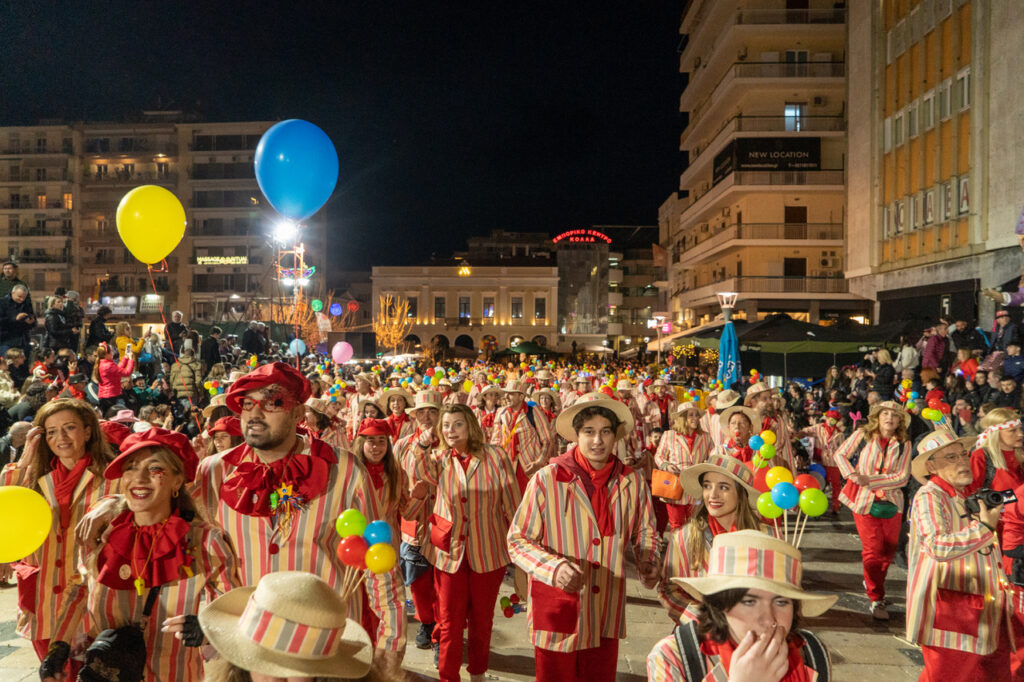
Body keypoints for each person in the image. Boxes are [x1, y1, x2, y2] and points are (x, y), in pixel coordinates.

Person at [77, 362, 391, 657]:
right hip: (241, 640)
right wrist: (115, 502)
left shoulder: (344, 469)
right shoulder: (213, 471)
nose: (255, 413)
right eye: (247, 404)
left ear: (298, 413)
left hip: (320, 639)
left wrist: (392, 639)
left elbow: (378, 555)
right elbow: (159, 505)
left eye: (272, 403)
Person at [45, 428, 240, 682]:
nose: (139, 478)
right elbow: (78, 589)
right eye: (131, 467)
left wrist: (208, 628)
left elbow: (231, 608)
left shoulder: (206, 540)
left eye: (155, 468)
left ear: (177, 480)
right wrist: (58, 646)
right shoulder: (102, 532)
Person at [507, 392, 659, 681]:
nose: (597, 441)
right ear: (576, 435)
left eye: (605, 432)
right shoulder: (548, 478)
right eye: (589, 432)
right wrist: (553, 568)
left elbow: (645, 530)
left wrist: (648, 558)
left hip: (606, 611)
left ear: (616, 437)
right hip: (558, 607)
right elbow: (517, 540)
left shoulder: (632, 480)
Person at [0, 399, 117, 675]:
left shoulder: (113, 476)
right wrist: (26, 456)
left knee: (89, 674)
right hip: (41, 598)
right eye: (51, 431)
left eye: (69, 428)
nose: (60, 438)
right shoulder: (32, 475)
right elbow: (6, 506)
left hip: (90, 597)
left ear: (88, 431)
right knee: (52, 674)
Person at [413, 404, 522, 682]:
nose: (450, 430)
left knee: (482, 621)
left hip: (489, 549)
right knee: (449, 620)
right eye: (446, 425)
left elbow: (512, 502)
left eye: (457, 424)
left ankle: (477, 674)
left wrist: (521, 549)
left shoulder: (495, 456)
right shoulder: (438, 458)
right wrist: (422, 445)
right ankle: (448, 676)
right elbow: (419, 471)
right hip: (449, 552)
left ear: (471, 426)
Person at [646, 530, 836, 681]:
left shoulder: (812, 654)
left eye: (781, 602)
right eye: (749, 601)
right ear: (718, 605)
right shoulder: (675, 657)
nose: (768, 618)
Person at [906, 429, 1014, 681]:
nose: (963, 462)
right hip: (949, 615)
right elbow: (937, 546)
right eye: (951, 458)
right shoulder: (930, 496)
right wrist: (984, 528)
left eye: (963, 455)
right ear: (931, 466)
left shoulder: (960, 495)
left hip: (968, 610)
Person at [351, 418, 427, 674]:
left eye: (381, 441)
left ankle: (383, 669)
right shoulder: (349, 474)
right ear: (361, 442)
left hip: (385, 554)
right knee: (357, 609)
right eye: (370, 440)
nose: (375, 446)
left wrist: (417, 496)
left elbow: (407, 511)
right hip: (352, 553)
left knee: (387, 611)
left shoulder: (396, 474)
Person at [657, 454, 765, 623]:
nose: (713, 495)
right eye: (707, 486)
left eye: (723, 487)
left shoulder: (764, 537)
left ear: (741, 494)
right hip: (702, 636)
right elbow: (669, 589)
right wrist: (704, 619)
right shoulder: (683, 537)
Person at [832, 400, 912, 620]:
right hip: (864, 502)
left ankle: (873, 580)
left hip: (893, 505)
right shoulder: (862, 435)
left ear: (900, 421)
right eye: (885, 413)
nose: (889, 418)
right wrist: (851, 475)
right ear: (877, 416)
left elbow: (903, 477)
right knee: (872, 550)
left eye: (895, 415)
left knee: (887, 552)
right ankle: (876, 598)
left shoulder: (905, 443)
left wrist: (871, 480)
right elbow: (840, 454)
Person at [394, 389, 443, 653]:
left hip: (446, 525)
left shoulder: (451, 443)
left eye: (432, 412)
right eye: (421, 412)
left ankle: (441, 632)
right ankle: (426, 623)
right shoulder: (402, 444)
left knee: (445, 584)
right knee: (419, 583)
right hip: (414, 524)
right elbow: (394, 482)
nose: (426, 417)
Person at [653, 402, 712, 529]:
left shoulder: (705, 437)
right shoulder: (669, 435)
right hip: (674, 487)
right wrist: (666, 465)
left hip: (696, 488)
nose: (695, 418)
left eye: (696, 415)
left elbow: (712, 457)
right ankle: (677, 549)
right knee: (677, 525)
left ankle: (692, 549)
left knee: (695, 526)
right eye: (691, 415)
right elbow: (659, 456)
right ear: (682, 418)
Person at [491, 378, 555, 492]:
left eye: (511, 394)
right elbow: (495, 442)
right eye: (506, 393)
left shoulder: (533, 412)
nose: (506, 397)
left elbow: (547, 440)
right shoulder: (501, 413)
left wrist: (539, 462)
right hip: (507, 468)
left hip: (529, 467)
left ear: (521, 397)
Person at [797, 409, 846, 514]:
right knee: (819, 483)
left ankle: (835, 506)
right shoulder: (819, 428)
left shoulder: (839, 434)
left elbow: (842, 449)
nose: (830, 421)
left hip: (833, 463)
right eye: (829, 418)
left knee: (836, 485)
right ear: (826, 418)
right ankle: (815, 504)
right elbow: (806, 431)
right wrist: (798, 434)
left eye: (833, 420)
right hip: (820, 462)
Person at [966, 407, 1024, 496]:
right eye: (1012, 430)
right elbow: (972, 491)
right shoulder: (981, 456)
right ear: (996, 434)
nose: (1020, 434)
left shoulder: (1021, 454)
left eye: (1020, 429)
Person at [93, 343, 134, 414]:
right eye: (111, 352)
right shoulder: (109, 365)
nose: (112, 353)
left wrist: (126, 357)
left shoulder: (102, 363)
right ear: (106, 354)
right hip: (112, 396)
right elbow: (127, 372)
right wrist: (131, 359)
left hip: (104, 396)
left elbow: (118, 369)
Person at [0, 283, 36, 355]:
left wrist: (31, 322)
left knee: (23, 365)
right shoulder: (2, 303)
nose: (21, 299)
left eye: (24, 297)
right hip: (7, 341)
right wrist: (15, 319)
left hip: (24, 342)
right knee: (8, 364)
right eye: (19, 296)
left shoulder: (26, 304)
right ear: (13, 293)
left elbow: (33, 320)